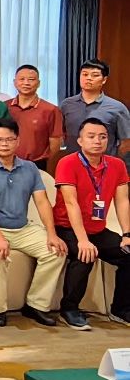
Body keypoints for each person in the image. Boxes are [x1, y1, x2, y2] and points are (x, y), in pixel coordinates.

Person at [0, 117, 66, 327]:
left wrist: (52, 234)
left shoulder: (30, 168)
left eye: (9, 139)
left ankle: (36, 305)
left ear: (17, 141)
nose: (4, 144)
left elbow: (42, 202)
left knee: (56, 251)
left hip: (23, 228)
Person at [51, 118, 130, 329]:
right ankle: (69, 309)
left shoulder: (116, 165)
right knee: (85, 254)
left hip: (97, 229)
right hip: (67, 227)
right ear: (80, 140)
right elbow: (71, 203)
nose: (97, 141)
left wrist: (127, 234)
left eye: (102, 137)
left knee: (129, 254)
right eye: (91, 136)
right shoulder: (67, 162)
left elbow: (122, 200)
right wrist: (83, 240)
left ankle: (120, 309)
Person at [60, 59, 130, 158]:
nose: (89, 78)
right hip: (73, 162)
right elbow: (60, 136)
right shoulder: (67, 105)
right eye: (85, 74)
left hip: (104, 162)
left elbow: (126, 142)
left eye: (95, 75)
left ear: (104, 79)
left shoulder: (117, 108)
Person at [6, 65, 63, 171]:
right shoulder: (4, 107)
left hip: (37, 165)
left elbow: (55, 143)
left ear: (39, 83)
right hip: (7, 163)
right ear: (15, 82)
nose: (26, 83)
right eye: (22, 79)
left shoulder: (50, 110)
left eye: (31, 79)